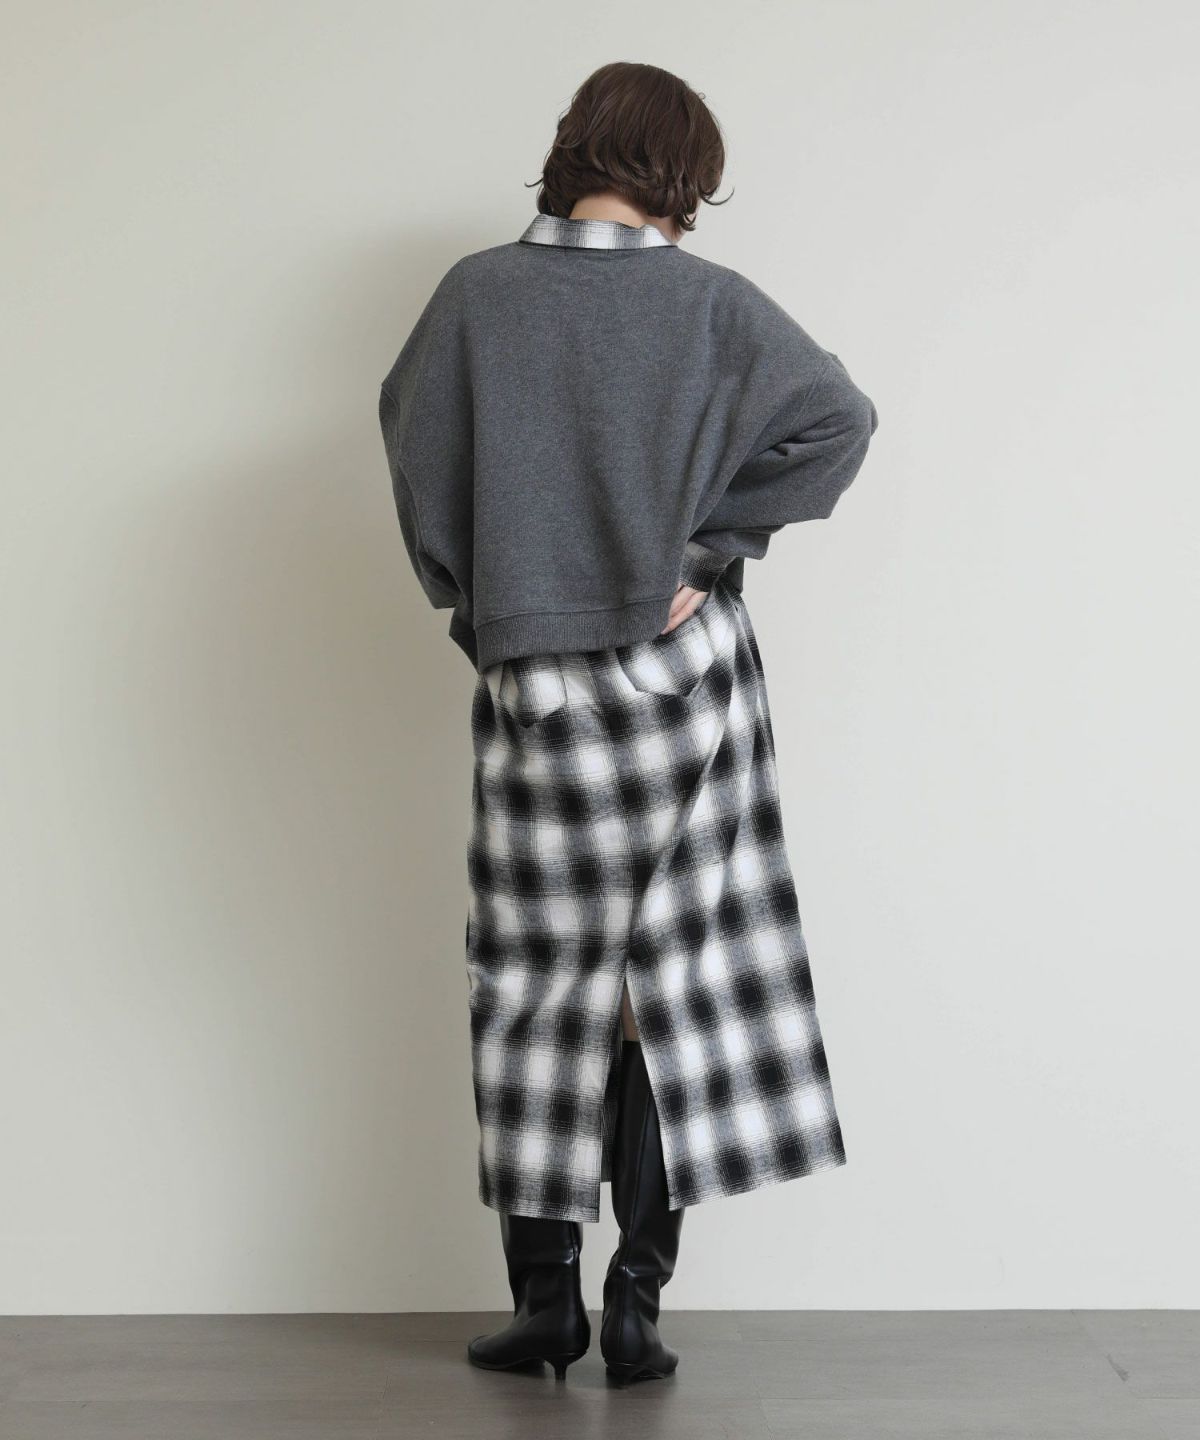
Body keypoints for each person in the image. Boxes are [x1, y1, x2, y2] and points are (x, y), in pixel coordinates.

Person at [377, 60, 878, 1385]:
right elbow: (840, 422)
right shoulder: (711, 305)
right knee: (672, 991)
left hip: (539, 686)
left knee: (535, 984)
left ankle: (545, 1307)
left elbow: (416, 461)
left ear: (575, 148)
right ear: (684, 175)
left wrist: (490, 613)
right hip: (688, 691)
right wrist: (705, 553)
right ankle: (639, 1306)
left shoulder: (476, 297)